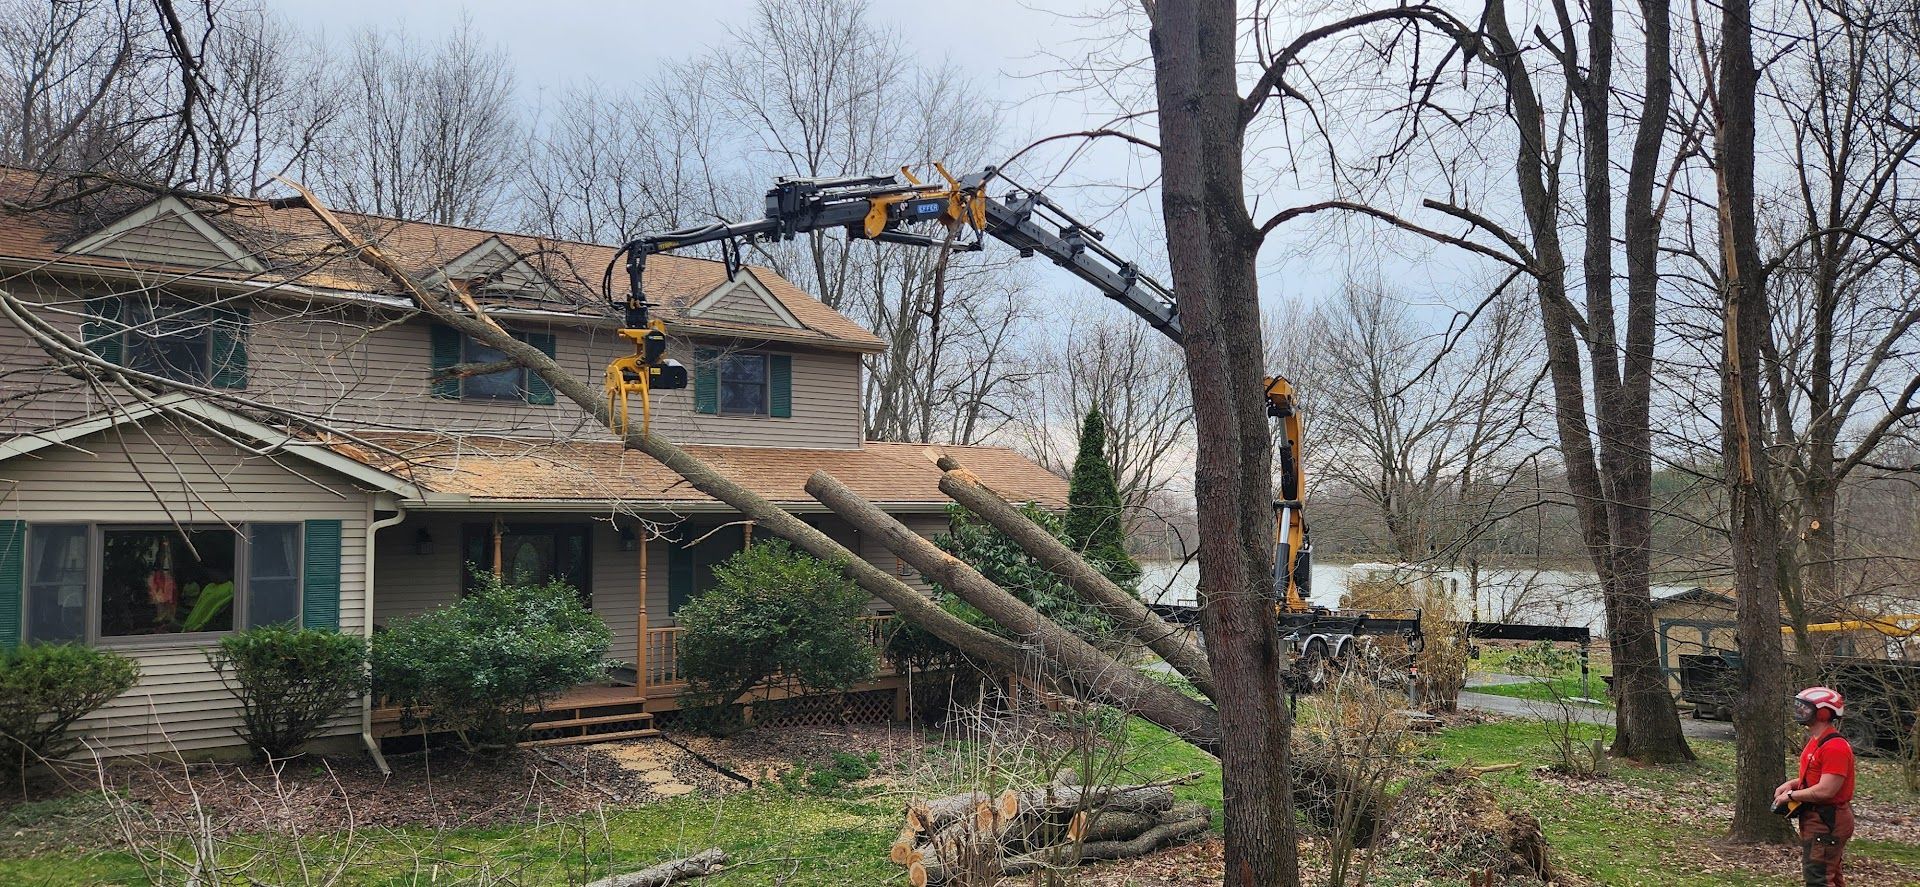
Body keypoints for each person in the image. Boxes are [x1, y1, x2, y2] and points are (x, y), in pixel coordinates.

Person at [1773, 686, 1856, 886]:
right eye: (1798, 706)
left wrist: (1791, 796)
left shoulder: (1835, 747)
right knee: (1830, 876)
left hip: (1828, 820)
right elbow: (1817, 778)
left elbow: (1826, 790)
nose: (1799, 710)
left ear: (1824, 713)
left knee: (1819, 878)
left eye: (1805, 707)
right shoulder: (1816, 740)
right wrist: (1792, 784)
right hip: (1818, 818)